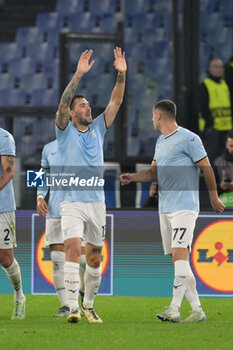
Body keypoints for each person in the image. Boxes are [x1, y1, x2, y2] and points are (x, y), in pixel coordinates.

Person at [120, 99, 224, 323]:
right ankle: (197, 310)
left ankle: (174, 308)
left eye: (152, 116)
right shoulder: (160, 141)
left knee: (179, 255)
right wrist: (133, 178)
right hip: (165, 208)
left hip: (184, 206)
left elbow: (206, 167)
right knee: (178, 260)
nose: (151, 119)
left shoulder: (189, 138)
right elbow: (152, 173)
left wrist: (213, 196)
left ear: (158, 116)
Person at [55, 47, 127, 323]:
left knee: (95, 259)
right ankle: (72, 307)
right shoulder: (64, 131)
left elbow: (116, 103)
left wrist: (121, 74)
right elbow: (62, 106)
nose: (88, 108)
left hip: (97, 203)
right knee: (73, 248)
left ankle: (88, 304)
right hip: (72, 201)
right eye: (83, 106)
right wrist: (78, 76)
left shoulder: (98, 127)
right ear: (72, 113)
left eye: (88, 106)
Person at [37, 140, 87, 316]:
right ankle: (66, 306)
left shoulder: (85, 144)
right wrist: (40, 196)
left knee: (80, 260)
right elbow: (41, 175)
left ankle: (84, 296)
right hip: (55, 210)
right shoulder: (48, 148)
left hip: (78, 209)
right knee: (58, 261)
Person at [0, 127, 26, 320]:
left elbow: (8, 172)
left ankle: (19, 294)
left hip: (2, 207)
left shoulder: (4, 137)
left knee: (6, 259)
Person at [198, 58, 233, 164]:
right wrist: (210, 124)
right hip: (212, 129)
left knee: (224, 159)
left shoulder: (225, 85)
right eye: (215, 67)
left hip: (226, 128)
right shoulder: (205, 84)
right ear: (209, 69)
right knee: (211, 157)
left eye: (220, 67)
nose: (219, 70)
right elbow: (203, 107)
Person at [214, 130, 233, 208]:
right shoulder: (218, 163)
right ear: (226, 145)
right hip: (224, 207)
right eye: (231, 146)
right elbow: (209, 190)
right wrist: (221, 187)